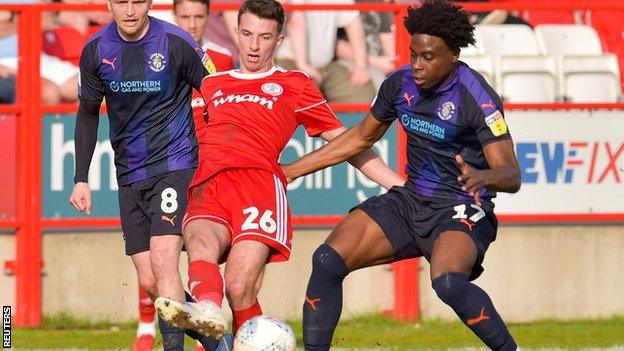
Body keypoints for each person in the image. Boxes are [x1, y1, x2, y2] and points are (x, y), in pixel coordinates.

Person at [154, 0, 404, 340]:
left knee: (240, 287)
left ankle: (234, 327)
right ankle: (207, 311)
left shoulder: (294, 84)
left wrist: (399, 185)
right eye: (247, 34)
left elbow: (350, 143)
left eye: (265, 37)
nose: (254, 46)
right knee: (199, 242)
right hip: (209, 185)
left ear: (279, 40)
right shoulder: (211, 84)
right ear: (237, 33)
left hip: (259, 188)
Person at [282, 0, 522, 350]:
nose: (417, 65)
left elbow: (511, 174)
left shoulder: (477, 97)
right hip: (410, 201)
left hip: (459, 206)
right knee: (327, 260)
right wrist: (292, 169)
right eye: (413, 54)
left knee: (449, 283)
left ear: (453, 54)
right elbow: (361, 137)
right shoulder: (400, 85)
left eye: (428, 57)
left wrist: (484, 178)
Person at [67, 0, 227, 350]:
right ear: (108, 3)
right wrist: (81, 177)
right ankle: (217, 339)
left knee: (163, 258)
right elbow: (88, 115)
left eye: (137, 2)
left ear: (151, 3)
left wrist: (219, 156)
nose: (129, 10)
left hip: (176, 164)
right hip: (129, 174)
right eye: (121, 2)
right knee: (151, 279)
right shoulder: (95, 51)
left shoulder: (177, 43)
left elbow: (219, 96)